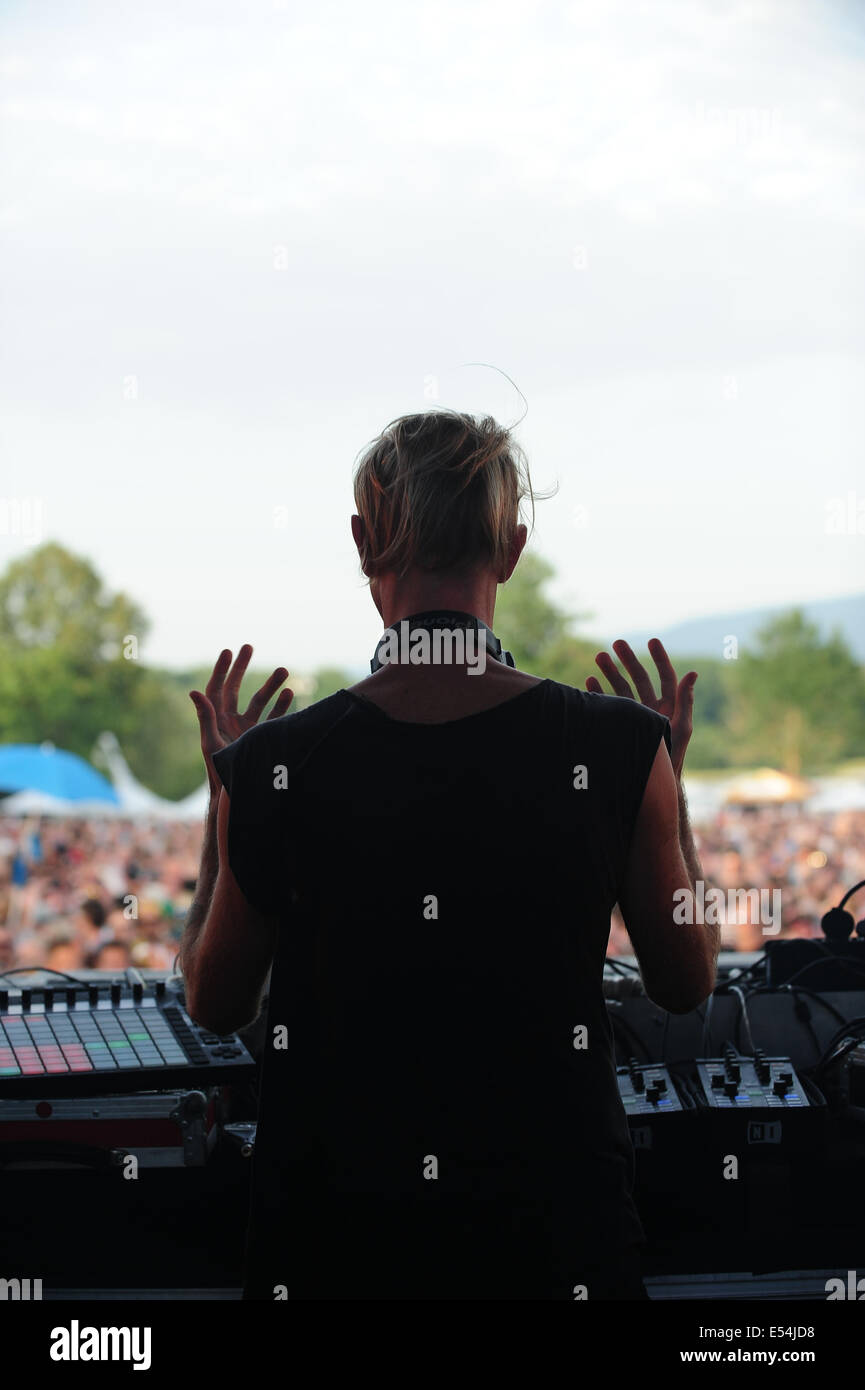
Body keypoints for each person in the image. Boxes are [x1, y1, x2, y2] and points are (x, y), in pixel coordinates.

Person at [183, 409, 718, 1300]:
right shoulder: (622, 747)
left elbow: (213, 1000)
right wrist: (668, 780)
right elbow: (686, 982)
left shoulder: (273, 766)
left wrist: (224, 797)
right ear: (508, 548)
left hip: (336, 1251)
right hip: (554, 1245)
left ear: (362, 544)